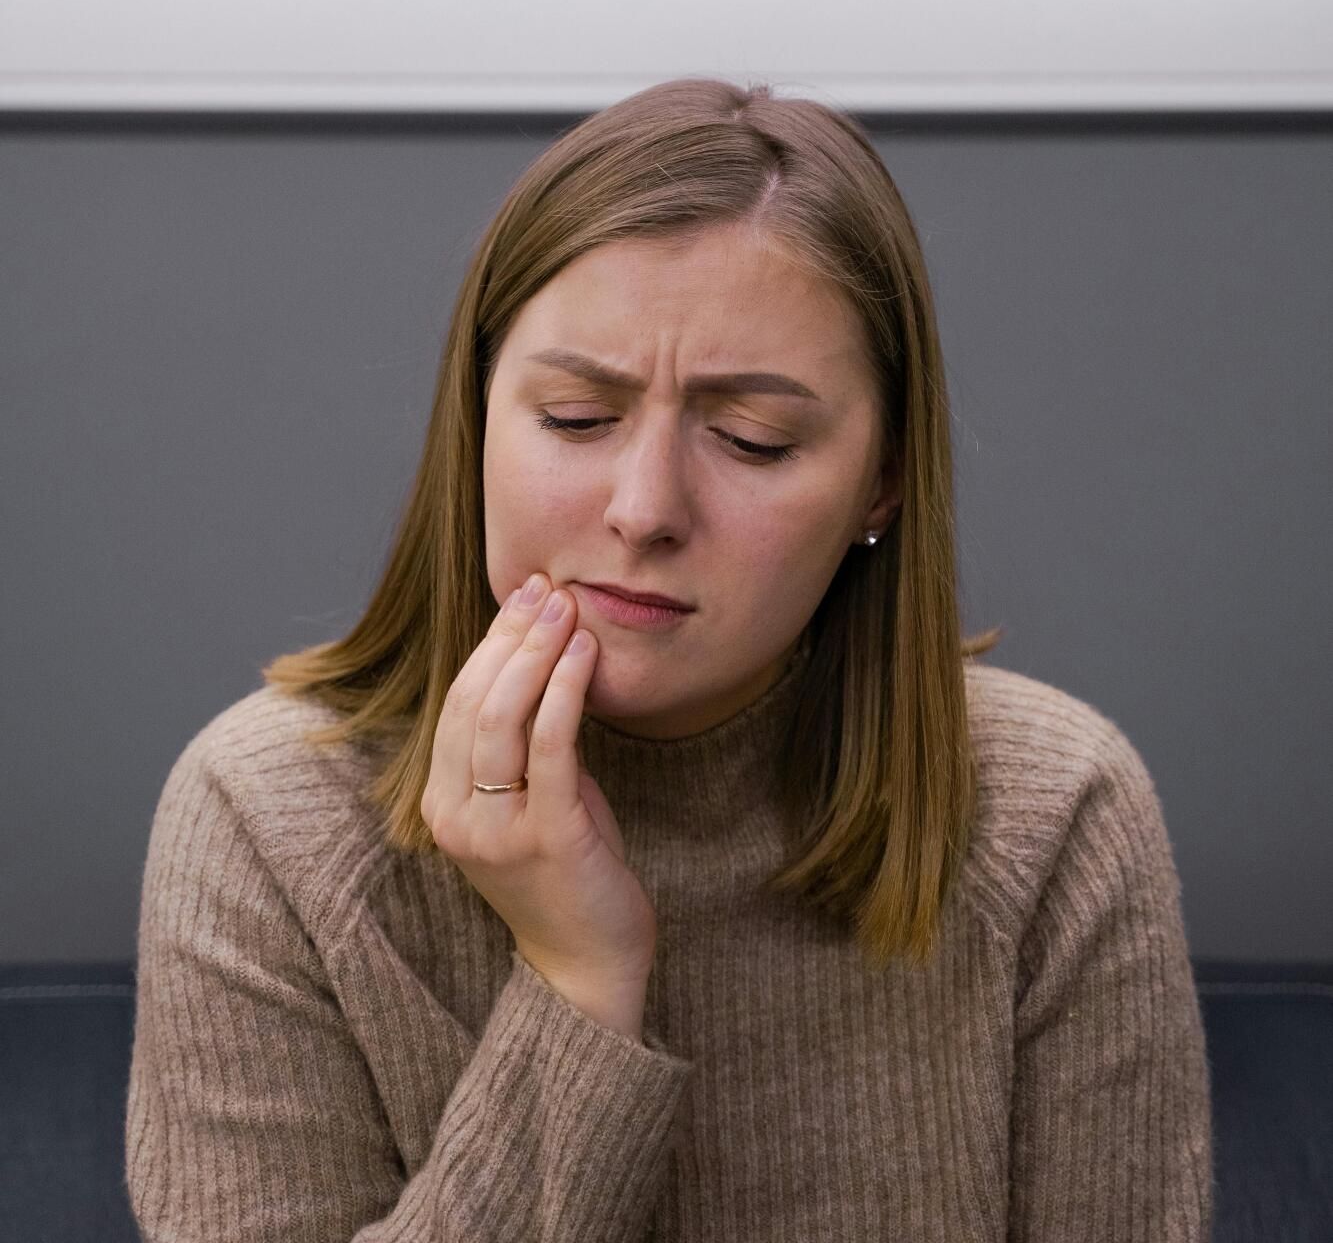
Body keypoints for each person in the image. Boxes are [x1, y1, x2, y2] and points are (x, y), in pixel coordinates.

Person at [125, 76, 1214, 1239]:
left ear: (882, 482)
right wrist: (576, 983)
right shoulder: (262, 820)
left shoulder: (1053, 811)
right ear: (477, 420)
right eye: (576, 419)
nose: (644, 508)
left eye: (753, 438)